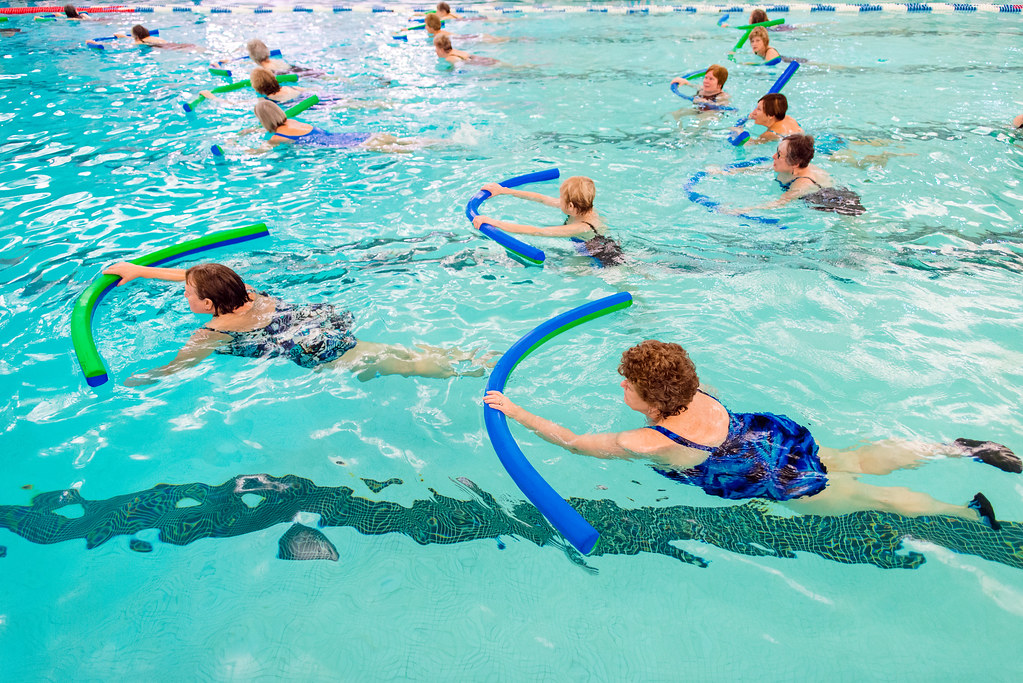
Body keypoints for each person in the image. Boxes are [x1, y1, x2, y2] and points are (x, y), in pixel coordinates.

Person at [484, 339, 1019, 528]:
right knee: (850, 457)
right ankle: (953, 449)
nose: (621, 385)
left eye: (628, 383)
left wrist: (514, 410)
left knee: (868, 498)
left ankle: (962, 514)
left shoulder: (645, 441)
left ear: (651, 400)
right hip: (770, 438)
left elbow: (573, 441)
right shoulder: (695, 388)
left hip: (763, 474)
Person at [101, 261, 491, 384]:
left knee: (403, 366)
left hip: (311, 346)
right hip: (313, 320)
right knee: (387, 353)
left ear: (207, 303)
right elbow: (195, 274)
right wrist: (137, 270)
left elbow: (176, 368)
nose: (182, 295)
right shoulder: (248, 292)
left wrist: (137, 380)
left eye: (188, 294)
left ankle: (472, 372)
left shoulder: (212, 333)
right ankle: (470, 357)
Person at [470, 176, 625, 267]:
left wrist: (493, 222)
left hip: (606, 260)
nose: (558, 201)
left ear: (570, 206)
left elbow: (537, 231)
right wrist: (505, 191)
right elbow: (542, 199)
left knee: (567, 272)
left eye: (561, 198)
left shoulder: (582, 227)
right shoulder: (581, 207)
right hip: (592, 250)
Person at [724, 134, 865, 216]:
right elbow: (762, 168)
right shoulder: (790, 166)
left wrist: (741, 210)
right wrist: (726, 171)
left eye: (779, 155)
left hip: (835, 203)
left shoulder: (802, 183)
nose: (773, 156)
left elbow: (779, 203)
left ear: (795, 163)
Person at [250, 99, 426, 153]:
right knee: (414, 142)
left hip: (356, 146)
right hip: (361, 136)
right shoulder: (293, 121)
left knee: (414, 151)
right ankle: (448, 143)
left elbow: (257, 152)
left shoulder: (277, 138)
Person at [433, 34, 498, 67]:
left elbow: (459, 68)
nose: (435, 51)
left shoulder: (450, 58)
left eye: (436, 48)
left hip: (479, 63)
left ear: (441, 50)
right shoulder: (455, 51)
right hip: (482, 59)